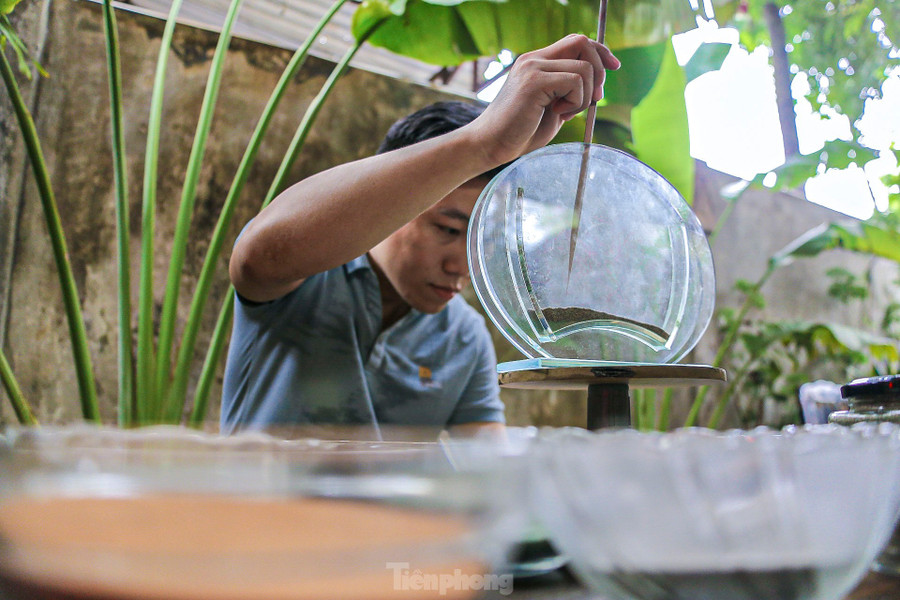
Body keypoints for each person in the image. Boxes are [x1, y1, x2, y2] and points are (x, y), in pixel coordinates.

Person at [220, 34, 620, 437]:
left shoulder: (462, 338)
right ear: (395, 202)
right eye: (447, 229)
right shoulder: (304, 282)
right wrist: (482, 143)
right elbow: (261, 255)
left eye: (481, 240)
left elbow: (484, 463)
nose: (462, 266)